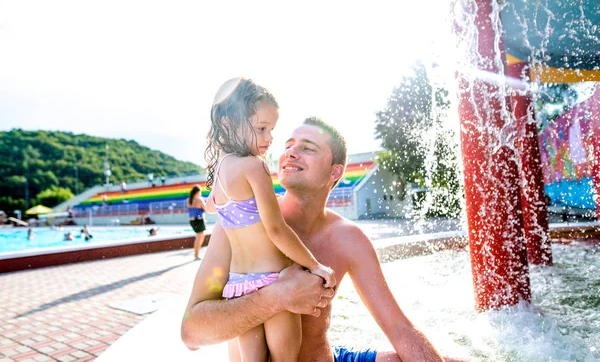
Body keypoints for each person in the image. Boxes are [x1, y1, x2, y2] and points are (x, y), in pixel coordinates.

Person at [182, 117, 474, 362]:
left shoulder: (348, 239)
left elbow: (400, 329)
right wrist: (276, 297)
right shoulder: (240, 223)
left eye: (307, 148)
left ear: (335, 172)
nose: (290, 153)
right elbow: (192, 334)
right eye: (288, 146)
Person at [201, 78, 335, 361]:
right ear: (229, 124)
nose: (269, 138)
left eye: (271, 129)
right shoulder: (254, 166)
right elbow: (276, 229)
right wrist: (315, 265)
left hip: (238, 287)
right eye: (262, 129)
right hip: (273, 282)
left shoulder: (221, 170)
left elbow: (212, 207)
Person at [187, 185, 208, 260]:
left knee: (199, 236)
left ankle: (196, 253)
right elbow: (206, 209)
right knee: (199, 237)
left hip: (192, 220)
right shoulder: (199, 200)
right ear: (198, 192)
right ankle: (196, 255)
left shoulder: (188, 200)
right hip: (199, 220)